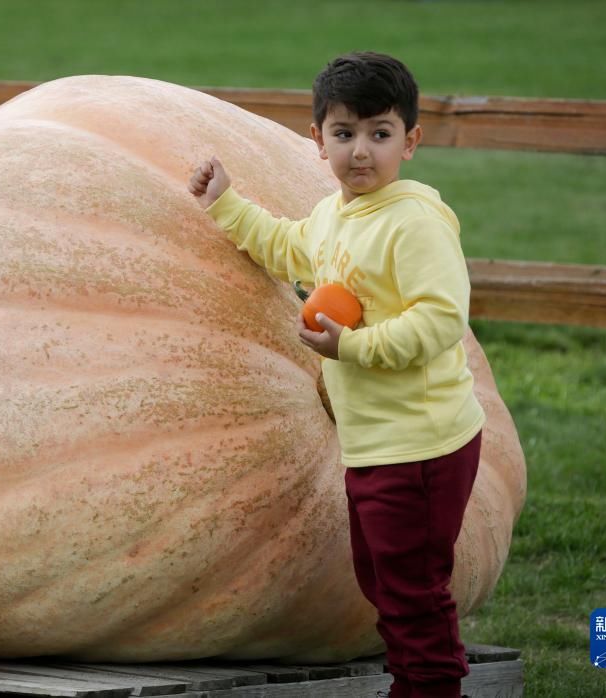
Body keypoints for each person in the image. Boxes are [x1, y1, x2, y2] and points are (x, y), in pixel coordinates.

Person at [188, 52, 485, 698]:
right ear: (316, 139)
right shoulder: (334, 216)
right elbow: (287, 245)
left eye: (380, 134)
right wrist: (226, 205)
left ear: (411, 141)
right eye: (344, 133)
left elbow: (439, 321)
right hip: (376, 446)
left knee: (411, 590)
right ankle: (425, 674)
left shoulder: (415, 223)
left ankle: (429, 684)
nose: (360, 152)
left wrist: (353, 347)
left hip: (425, 445)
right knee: (383, 578)